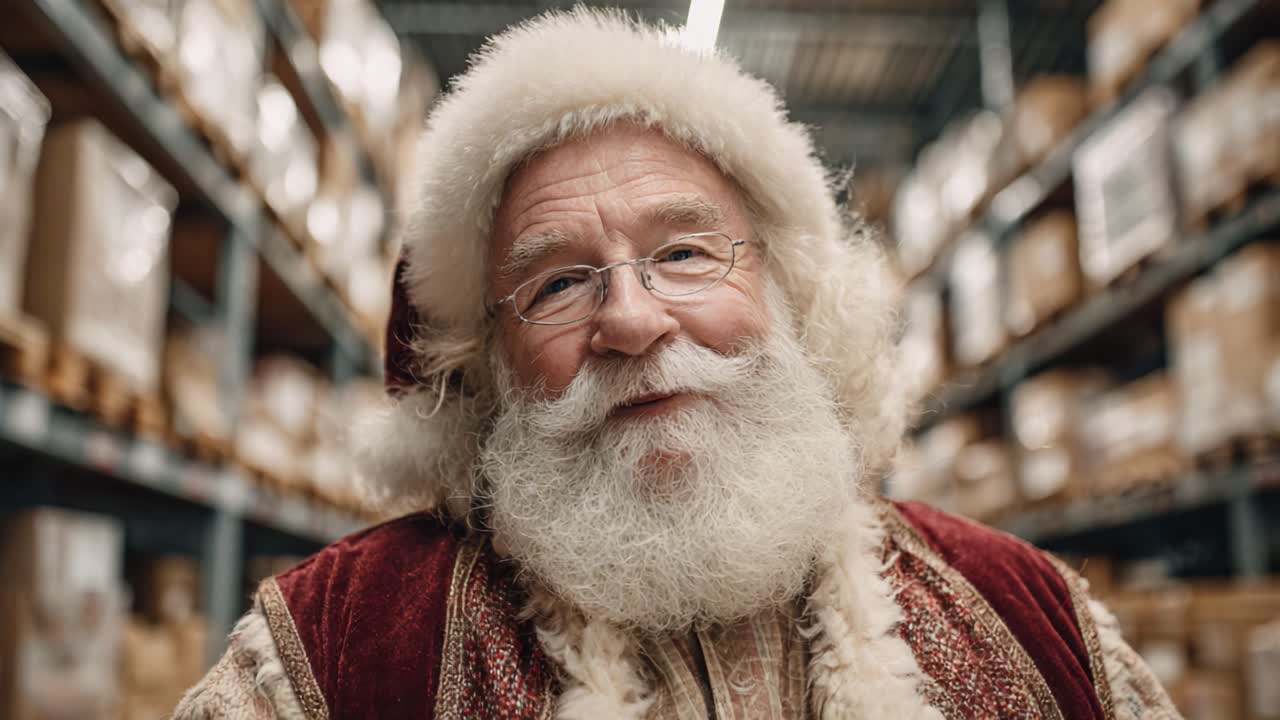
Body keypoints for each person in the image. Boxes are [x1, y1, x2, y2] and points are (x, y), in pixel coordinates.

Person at [176, 9, 1179, 719]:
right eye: (557, 284)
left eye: (685, 255)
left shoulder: (1022, 612)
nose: (630, 317)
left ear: (788, 297)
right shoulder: (338, 647)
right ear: (486, 366)